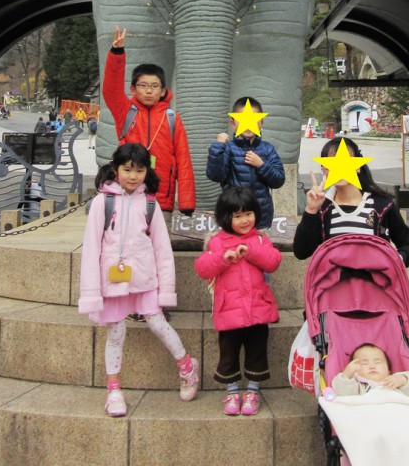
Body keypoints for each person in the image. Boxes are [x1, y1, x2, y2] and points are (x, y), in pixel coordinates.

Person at [78, 142, 200, 417]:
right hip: (112, 280)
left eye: (139, 170)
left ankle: (187, 366)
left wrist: (166, 288)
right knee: (116, 333)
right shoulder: (102, 202)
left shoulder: (150, 204)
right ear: (115, 170)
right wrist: (91, 291)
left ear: (147, 172)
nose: (133, 176)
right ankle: (114, 390)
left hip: (144, 276)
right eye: (127, 169)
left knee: (157, 323)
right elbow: (91, 249)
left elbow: (162, 249)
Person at [194, 187, 281, 416]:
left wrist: (250, 251)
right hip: (229, 311)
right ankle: (231, 392)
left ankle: (252, 391)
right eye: (237, 216)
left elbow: (273, 261)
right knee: (228, 354)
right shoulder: (216, 242)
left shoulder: (260, 239)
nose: (244, 220)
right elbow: (202, 268)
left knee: (257, 353)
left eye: (248, 214)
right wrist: (223, 259)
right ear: (226, 217)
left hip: (257, 310)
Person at [102, 25, 195, 215]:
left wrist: (186, 203)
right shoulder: (125, 111)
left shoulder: (172, 118)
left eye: (155, 86)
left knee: (158, 242)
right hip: (128, 191)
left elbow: (183, 159)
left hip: (163, 196)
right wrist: (117, 53)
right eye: (143, 85)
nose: (149, 90)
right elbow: (110, 89)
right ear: (133, 89)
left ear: (163, 91)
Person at [293, 136, 409, 266]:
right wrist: (311, 210)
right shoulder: (322, 208)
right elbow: (301, 252)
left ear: (358, 167)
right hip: (334, 285)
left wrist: (393, 262)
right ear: (324, 170)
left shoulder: (382, 205)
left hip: (375, 285)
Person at [205, 96, 285, 229]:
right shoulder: (227, 148)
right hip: (233, 216)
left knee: (258, 249)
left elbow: (279, 181)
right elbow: (215, 175)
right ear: (233, 123)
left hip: (261, 217)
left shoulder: (268, 148)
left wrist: (261, 165)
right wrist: (218, 146)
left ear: (262, 122)